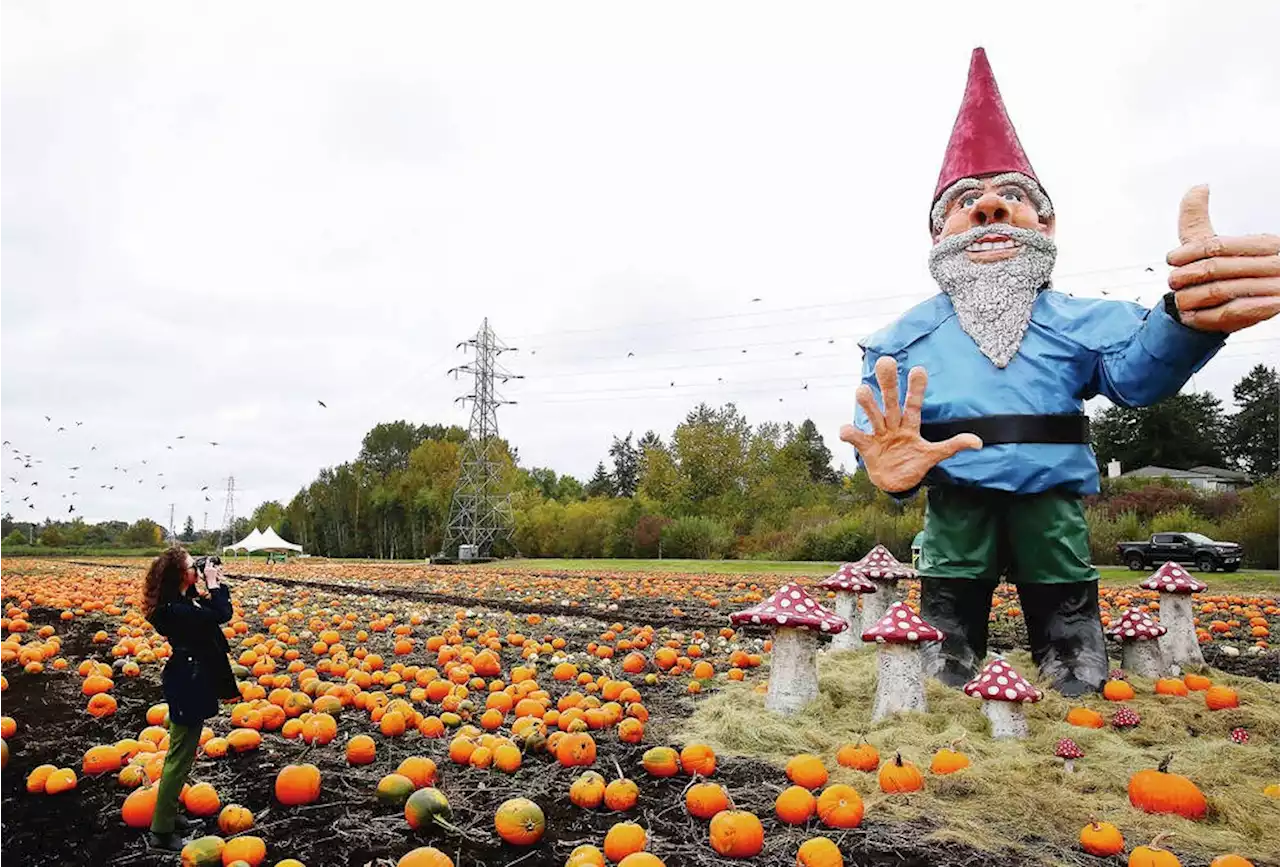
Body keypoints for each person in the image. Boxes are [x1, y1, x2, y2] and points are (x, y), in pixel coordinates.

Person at [840, 48, 1280, 696]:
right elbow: (877, 432)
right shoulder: (900, 341)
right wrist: (891, 474)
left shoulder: (1082, 321)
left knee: (1062, 584)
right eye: (967, 201)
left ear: (1044, 223)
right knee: (950, 596)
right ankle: (942, 672)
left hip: (1052, 493)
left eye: (1011, 197)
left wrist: (1188, 319)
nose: (989, 210)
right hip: (956, 493)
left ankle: (1074, 666)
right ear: (940, 235)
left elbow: (1135, 378)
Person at [141, 547, 239, 850]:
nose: (196, 568)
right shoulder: (176, 610)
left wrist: (214, 582)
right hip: (188, 682)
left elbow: (214, 608)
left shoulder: (183, 602)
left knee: (183, 754)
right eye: (191, 566)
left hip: (192, 678)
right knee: (178, 757)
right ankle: (160, 831)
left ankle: (168, 813)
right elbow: (221, 614)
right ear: (180, 575)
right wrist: (211, 584)